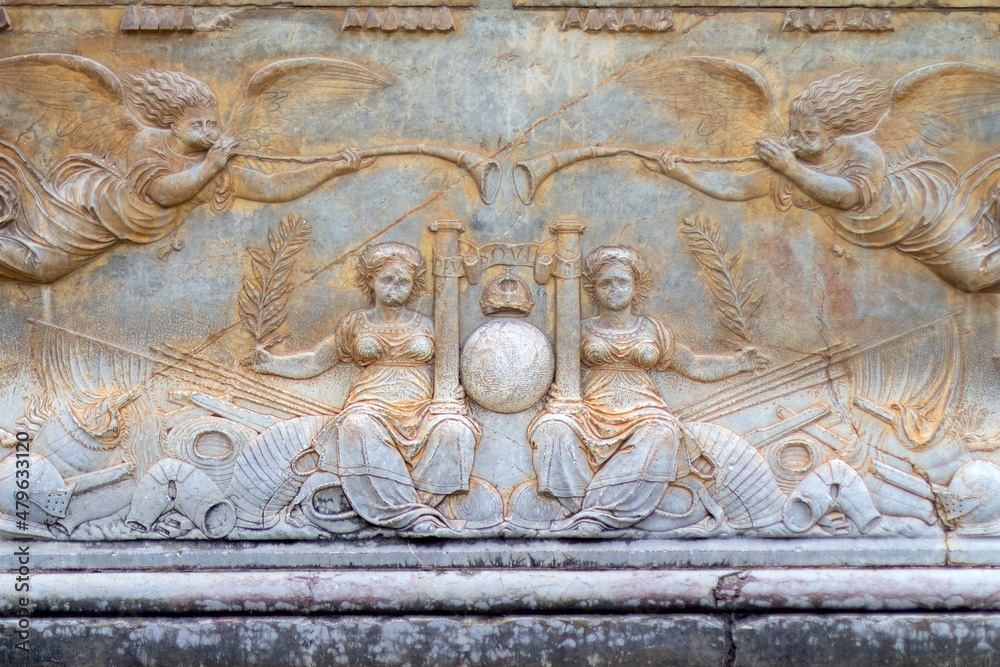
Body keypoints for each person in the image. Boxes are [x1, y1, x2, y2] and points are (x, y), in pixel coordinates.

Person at [0, 68, 368, 283]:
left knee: (44, 268)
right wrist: (210, 165)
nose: (209, 131)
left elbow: (273, 186)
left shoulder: (218, 169)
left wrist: (333, 166)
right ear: (173, 125)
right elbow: (161, 192)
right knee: (41, 265)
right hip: (86, 207)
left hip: (109, 233)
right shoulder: (148, 141)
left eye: (213, 122)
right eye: (198, 124)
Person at [645, 70, 1000, 293]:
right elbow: (738, 186)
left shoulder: (864, 151)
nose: (797, 139)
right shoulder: (791, 161)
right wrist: (682, 174)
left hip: (926, 213)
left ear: (834, 133)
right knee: (971, 283)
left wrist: (790, 167)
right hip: (901, 238)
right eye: (794, 130)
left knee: (974, 276)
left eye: (809, 133)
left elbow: (847, 196)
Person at [243, 242, 480, 535]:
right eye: (387, 280)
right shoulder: (356, 324)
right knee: (357, 425)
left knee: (457, 431)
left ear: (413, 285)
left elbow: (456, 364)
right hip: (371, 404)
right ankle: (411, 517)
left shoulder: (428, 325)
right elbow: (317, 360)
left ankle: (415, 509)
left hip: (422, 407)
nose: (395, 287)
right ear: (371, 281)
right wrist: (270, 364)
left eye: (403, 281)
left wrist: (457, 393)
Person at [527, 246, 765, 534]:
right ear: (593, 290)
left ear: (635, 287)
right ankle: (585, 509)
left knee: (662, 434)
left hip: (644, 411)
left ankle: (601, 515)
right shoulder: (579, 330)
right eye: (606, 283)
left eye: (622, 282)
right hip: (590, 409)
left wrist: (740, 363)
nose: (614, 289)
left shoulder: (652, 330)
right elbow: (545, 367)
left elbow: (693, 365)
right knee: (551, 428)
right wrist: (552, 396)